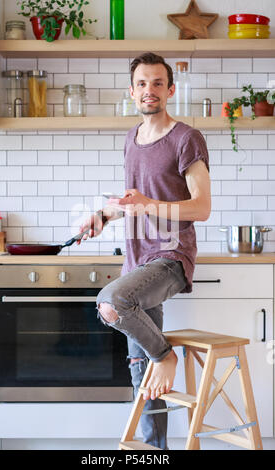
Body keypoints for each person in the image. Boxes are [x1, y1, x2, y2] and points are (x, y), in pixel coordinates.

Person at [77, 52, 211, 449]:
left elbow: (201, 207)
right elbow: (135, 201)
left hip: (170, 258)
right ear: (131, 91)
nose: (148, 90)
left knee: (112, 302)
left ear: (170, 90)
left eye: (157, 83)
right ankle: (156, 453)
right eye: (141, 83)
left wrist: (149, 204)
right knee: (142, 373)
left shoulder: (186, 138)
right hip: (137, 259)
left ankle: (165, 355)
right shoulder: (131, 139)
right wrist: (103, 214)